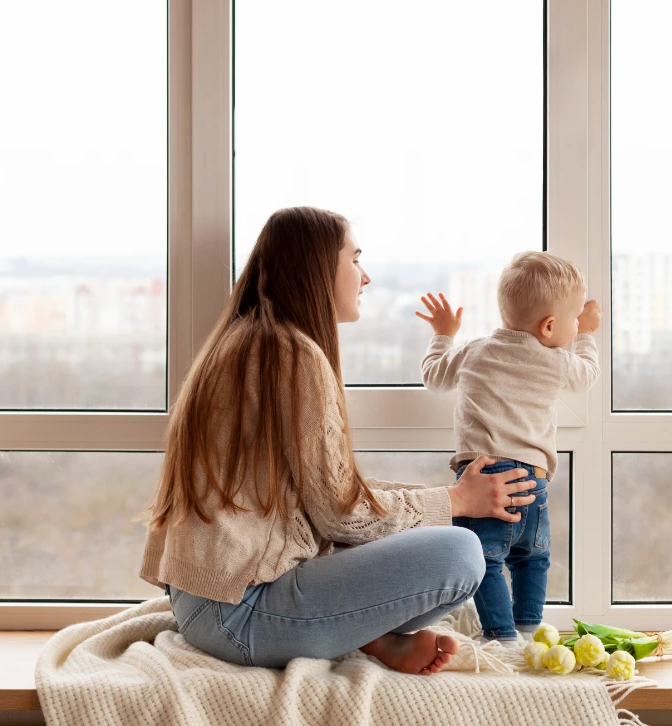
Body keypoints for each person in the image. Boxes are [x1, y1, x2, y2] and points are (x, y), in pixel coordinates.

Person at [140, 206, 537, 676]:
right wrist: (455, 501)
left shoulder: (249, 340)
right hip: (236, 615)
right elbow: (341, 514)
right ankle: (366, 632)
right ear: (316, 268)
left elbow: (328, 496)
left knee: (412, 535)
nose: (364, 277)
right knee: (461, 552)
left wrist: (448, 500)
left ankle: (370, 635)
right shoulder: (292, 356)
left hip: (203, 600)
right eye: (354, 259)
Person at [417, 251, 601, 644]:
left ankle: (501, 637)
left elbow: (433, 376)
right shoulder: (556, 361)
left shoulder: (474, 351)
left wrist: (443, 334)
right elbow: (587, 375)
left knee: (483, 562)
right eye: (572, 319)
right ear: (550, 327)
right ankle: (529, 626)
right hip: (532, 483)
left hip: (481, 482)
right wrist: (586, 335)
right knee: (533, 559)